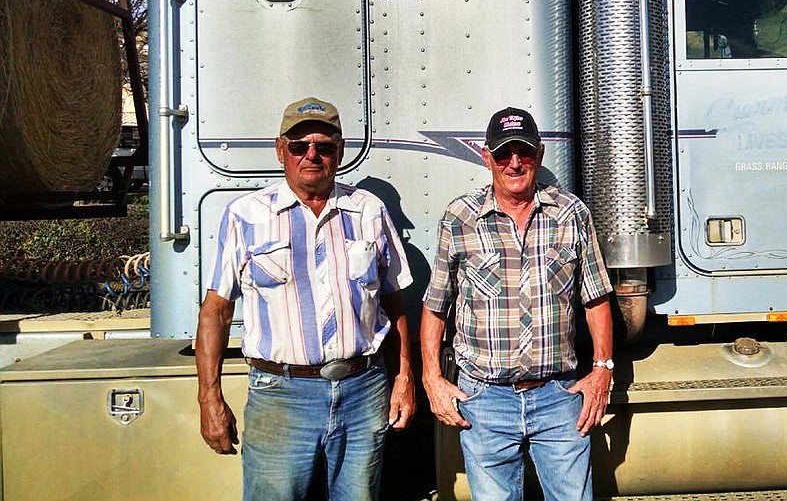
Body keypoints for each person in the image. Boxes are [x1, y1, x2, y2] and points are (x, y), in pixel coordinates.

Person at [196, 97, 416, 501]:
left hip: (362, 390)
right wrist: (209, 397)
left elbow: (393, 302)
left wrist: (404, 378)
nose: (311, 155)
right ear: (281, 150)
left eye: (324, 146)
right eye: (300, 146)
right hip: (281, 395)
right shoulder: (246, 215)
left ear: (340, 151)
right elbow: (216, 310)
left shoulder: (368, 211)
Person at [420, 107, 614, 501]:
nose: (514, 163)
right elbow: (436, 306)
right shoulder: (459, 218)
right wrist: (432, 380)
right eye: (505, 153)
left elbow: (596, 298)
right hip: (485, 401)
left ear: (539, 155)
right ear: (487, 157)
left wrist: (603, 370)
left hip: (559, 399)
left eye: (524, 152)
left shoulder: (571, 214)